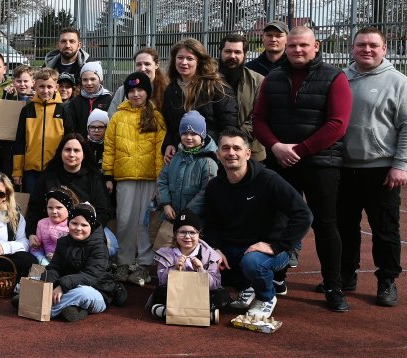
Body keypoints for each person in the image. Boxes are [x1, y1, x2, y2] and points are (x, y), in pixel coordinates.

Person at [253, 25, 352, 311]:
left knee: (326, 224)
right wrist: (275, 147)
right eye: (293, 45)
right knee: (278, 222)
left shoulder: (335, 77)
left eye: (303, 45)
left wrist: (299, 150)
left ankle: (334, 286)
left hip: (321, 164)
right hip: (281, 161)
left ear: (316, 46)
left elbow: (337, 124)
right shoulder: (273, 78)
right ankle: (274, 279)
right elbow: (259, 119)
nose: (297, 50)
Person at [339, 27, 407, 307]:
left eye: (374, 45)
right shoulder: (341, 79)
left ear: (384, 49)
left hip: (382, 169)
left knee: (385, 229)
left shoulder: (398, 82)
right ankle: (345, 276)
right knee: (343, 227)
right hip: (343, 167)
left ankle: (387, 280)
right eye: (361, 45)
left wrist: (400, 164)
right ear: (352, 48)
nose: (367, 50)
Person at [202, 127, 312, 320]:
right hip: (234, 248)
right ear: (218, 153)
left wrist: (278, 245)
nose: (231, 153)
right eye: (225, 148)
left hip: (269, 251)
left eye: (237, 148)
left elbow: (303, 214)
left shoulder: (269, 180)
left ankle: (266, 297)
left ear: (248, 153)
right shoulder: (214, 186)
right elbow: (210, 224)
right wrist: (215, 248)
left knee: (253, 263)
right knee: (204, 259)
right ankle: (247, 286)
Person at [104, 71, 165, 287]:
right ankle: (124, 261)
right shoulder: (118, 117)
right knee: (125, 219)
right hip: (125, 176)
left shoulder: (156, 116)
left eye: (140, 90)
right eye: (131, 91)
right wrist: (109, 174)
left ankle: (144, 264)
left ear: (147, 92)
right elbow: (109, 147)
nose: (136, 94)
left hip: (149, 177)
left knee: (144, 221)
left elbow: (160, 150)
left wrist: (160, 179)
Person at [35, 203, 121, 322]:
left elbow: (92, 276)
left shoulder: (99, 247)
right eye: (74, 223)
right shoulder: (62, 242)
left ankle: (41, 308)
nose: (78, 228)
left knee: (82, 293)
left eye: (84, 225)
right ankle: (72, 309)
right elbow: (54, 267)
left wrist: (62, 286)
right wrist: (48, 284)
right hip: (67, 286)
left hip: (97, 291)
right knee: (34, 279)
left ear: (91, 225)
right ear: (68, 223)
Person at [27, 134, 113, 247]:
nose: (71, 154)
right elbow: (35, 208)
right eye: (67, 149)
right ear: (61, 152)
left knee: (112, 246)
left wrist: (89, 230)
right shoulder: (48, 178)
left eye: (76, 150)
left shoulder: (94, 178)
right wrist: (31, 233)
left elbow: (104, 211)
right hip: (52, 230)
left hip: (85, 229)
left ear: (84, 154)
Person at [161, 38, 237, 163]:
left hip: (211, 156)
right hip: (182, 157)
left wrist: (218, 151)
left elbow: (229, 123)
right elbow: (171, 126)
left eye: (190, 58)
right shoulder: (170, 90)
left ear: (199, 61)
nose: (184, 62)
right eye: (180, 57)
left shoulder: (215, 87)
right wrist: (169, 143)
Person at [147, 211, 228, 320]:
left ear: (199, 234)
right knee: (159, 292)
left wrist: (201, 270)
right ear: (175, 234)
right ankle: (204, 315)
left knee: (222, 295)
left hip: (200, 295)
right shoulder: (165, 254)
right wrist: (175, 268)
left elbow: (215, 284)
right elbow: (162, 281)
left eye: (192, 232)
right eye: (183, 232)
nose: (187, 236)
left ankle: (167, 312)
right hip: (176, 294)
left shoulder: (209, 254)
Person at [156, 111, 218, 231]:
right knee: (164, 247)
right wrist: (166, 204)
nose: (189, 137)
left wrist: (187, 213)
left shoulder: (208, 162)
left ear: (202, 135)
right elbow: (162, 180)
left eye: (194, 134)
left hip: (196, 221)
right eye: (185, 133)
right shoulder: (174, 158)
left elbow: (207, 190)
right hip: (171, 217)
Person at [11, 67, 66, 196]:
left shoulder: (63, 110)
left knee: (54, 204)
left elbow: (68, 140)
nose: (45, 90)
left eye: (49, 87)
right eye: (41, 86)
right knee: (32, 205)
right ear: (35, 86)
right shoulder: (28, 109)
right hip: (31, 170)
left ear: (56, 87)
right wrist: (17, 171)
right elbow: (19, 141)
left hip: (56, 169)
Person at [218, 33, 265, 160]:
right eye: (228, 51)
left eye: (237, 52)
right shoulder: (207, 80)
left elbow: (258, 116)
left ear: (244, 54)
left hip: (251, 151)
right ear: (220, 52)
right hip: (214, 149)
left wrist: (235, 139)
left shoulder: (258, 80)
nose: (232, 56)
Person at [108, 48, 168, 112]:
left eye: (147, 64)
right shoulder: (122, 91)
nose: (142, 69)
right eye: (139, 64)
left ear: (157, 65)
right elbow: (111, 117)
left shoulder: (166, 90)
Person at [66, 61, 112, 136]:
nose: (89, 83)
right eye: (85, 80)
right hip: (81, 144)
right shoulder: (75, 102)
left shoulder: (109, 99)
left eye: (93, 79)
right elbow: (70, 127)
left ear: (100, 79)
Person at [32, 187, 74, 266]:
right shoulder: (42, 223)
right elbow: (37, 248)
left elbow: (75, 250)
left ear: (68, 208)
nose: (54, 211)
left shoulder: (73, 225)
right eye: (50, 208)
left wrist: (58, 256)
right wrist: (42, 260)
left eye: (59, 208)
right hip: (45, 262)